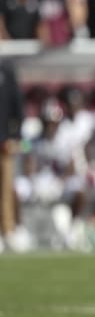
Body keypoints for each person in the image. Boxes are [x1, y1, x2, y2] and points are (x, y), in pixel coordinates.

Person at [0, 59, 24, 252]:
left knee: (6, 190)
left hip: (4, 143)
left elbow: (17, 106)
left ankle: (8, 231)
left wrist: (15, 136)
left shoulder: (6, 71)